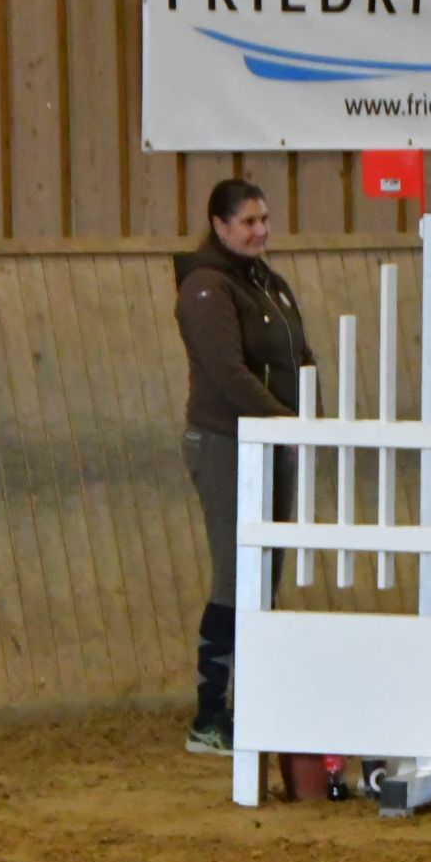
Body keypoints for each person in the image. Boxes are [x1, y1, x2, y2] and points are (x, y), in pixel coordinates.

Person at [174, 179, 312, 754]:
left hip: (270, 441)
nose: (261, 231)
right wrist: (287, 421)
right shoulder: (206, 288)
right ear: (219, 225)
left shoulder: (267, 285)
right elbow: (227, 372)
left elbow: (299, 356)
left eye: (264, 219)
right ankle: (210, 715)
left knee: (265, 576)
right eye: (249, 222)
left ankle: (256, 702)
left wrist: (306, 420)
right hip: (226, 443)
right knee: (236, 575)